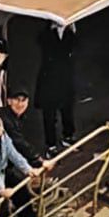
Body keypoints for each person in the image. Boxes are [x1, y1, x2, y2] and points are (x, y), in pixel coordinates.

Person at [34, 22, 77, 158]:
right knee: (49, 115)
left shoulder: (71, 34)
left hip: (65, 79)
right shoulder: (46, 34)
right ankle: (51, 145)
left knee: (67, 110)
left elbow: (75, 48)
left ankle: (68, 136)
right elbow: (43, 44)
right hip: (49, 80)